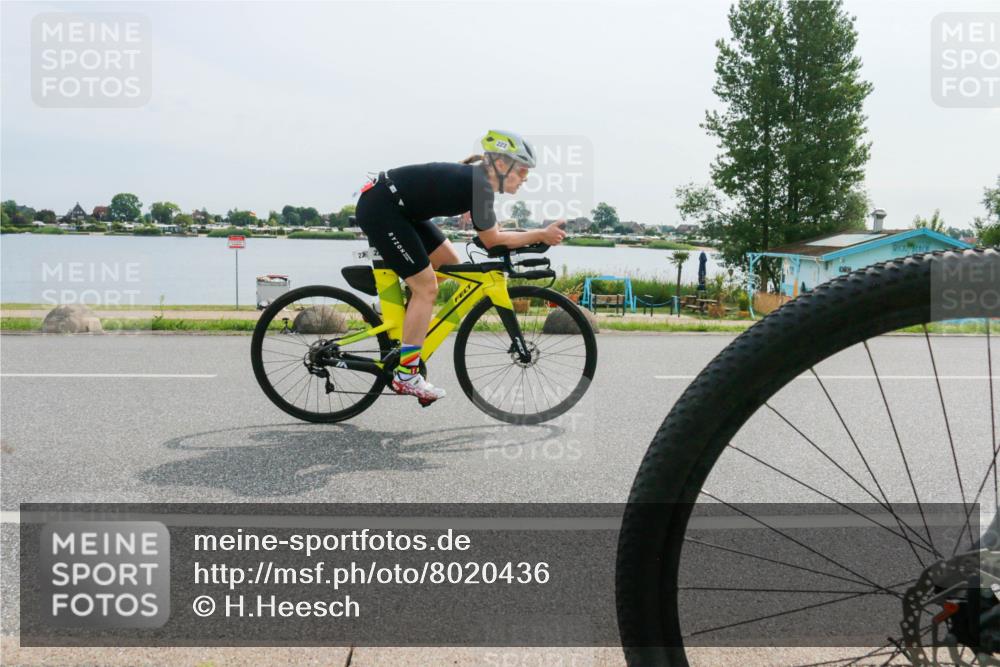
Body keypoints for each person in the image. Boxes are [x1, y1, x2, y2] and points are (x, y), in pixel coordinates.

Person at [354, 130, 567, 403]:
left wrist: (537, 234)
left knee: (449, 265)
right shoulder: (480, 186)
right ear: (501, 165)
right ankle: (405, 375)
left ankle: (391, 313)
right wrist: (540, 234)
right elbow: (492, 241)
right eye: (523, 171)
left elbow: (495, 234)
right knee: (426, 288)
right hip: (383, 208)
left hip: (401, 210)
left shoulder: (479, 184)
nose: (525, 179)